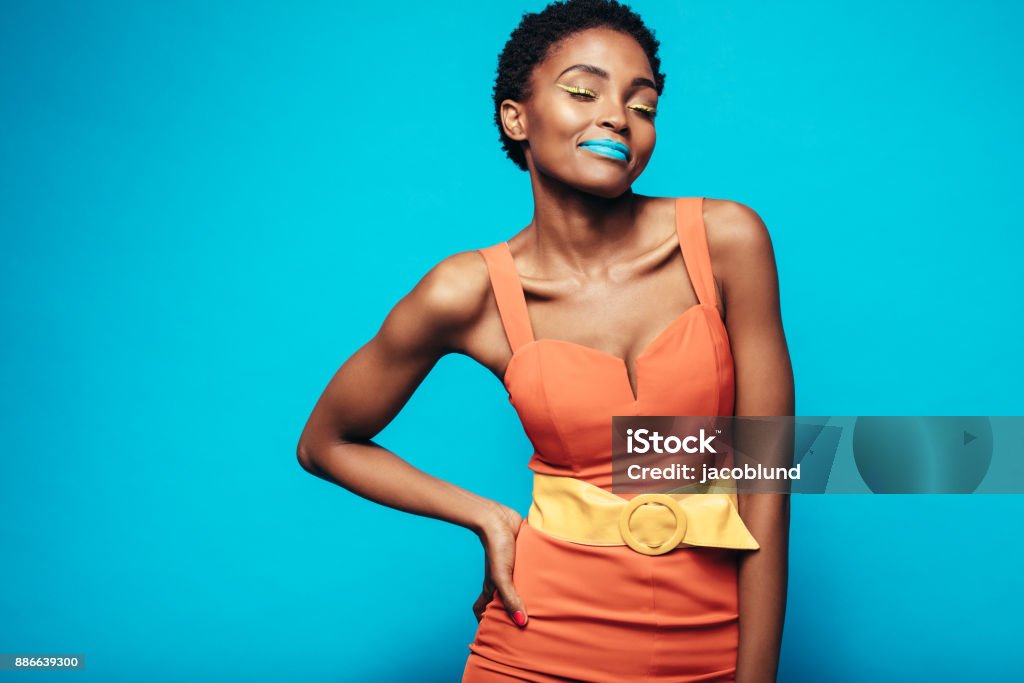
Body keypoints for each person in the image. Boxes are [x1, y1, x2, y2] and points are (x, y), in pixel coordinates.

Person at [296, 0, 793, 680]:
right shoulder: (467, 291)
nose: (617, 116)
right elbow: (326, 442)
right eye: (583, 91)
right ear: (516, 117)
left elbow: (768, 474)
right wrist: (486, 516)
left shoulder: (727, 241)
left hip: (709, 643)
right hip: (536, 643)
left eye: (641, 104)